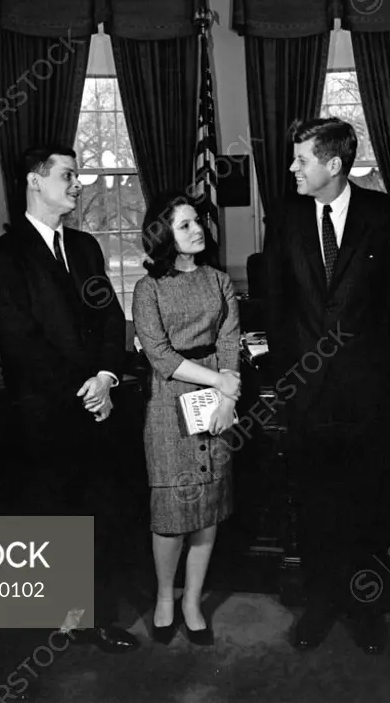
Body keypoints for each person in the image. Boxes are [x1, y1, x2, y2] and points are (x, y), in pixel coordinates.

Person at [264, 117, 390, 655]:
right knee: (313, 506)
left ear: (334, 165)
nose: (292, 168)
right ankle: (321, 603)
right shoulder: (284, 218)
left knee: (369, 506)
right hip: (305, 395)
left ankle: (364, 608)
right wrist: (289, 379)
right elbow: (277, 307)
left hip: (368, 395)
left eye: (300, 159)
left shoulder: (384, 214)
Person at [0, 145, 139, 657]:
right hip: (43, 419)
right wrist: (85, 387)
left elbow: (111, 319)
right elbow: (21, 341)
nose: (78, 184)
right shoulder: (3, 256)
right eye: (68, 175)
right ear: (34, 180)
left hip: (97, 409)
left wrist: (108, 376)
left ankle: (96, 620)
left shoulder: (88, 248)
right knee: (49, 522)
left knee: (99, 517)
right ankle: (49, 629)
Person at [131, 192, 241, 647]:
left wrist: (229, 396)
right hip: (168, 403)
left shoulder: (218, 279)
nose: (197, 230)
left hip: (217, 403)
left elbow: (231, 338)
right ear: (163, 235)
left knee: (208, 510)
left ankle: (193, 601)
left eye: (198, 222)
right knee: (172, 511)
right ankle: (164, 598)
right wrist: (220, 381)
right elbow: (159, 355)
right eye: (184, 225)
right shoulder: (148, 288)